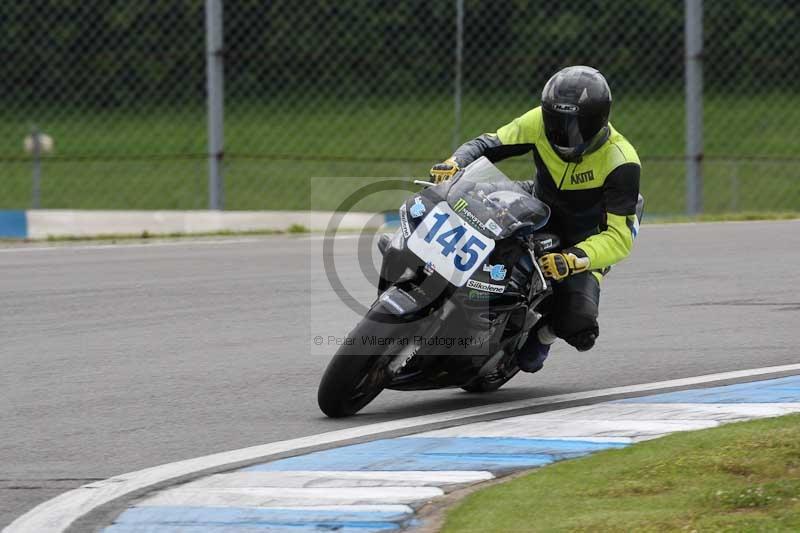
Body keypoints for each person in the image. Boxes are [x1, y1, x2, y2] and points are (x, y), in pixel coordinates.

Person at [430, 65, 641, 373]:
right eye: (557, 122)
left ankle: (542, 335)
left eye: (574, 126)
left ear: (598, 121)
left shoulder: (621, 161)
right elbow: (491, 143)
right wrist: (456, 162)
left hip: (582, 238)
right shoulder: (539, 122)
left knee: (579, 326)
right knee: (463, 200)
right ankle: (424, 268)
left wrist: (573, 259)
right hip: (536, 204)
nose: (562, 132)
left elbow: (619, 239)